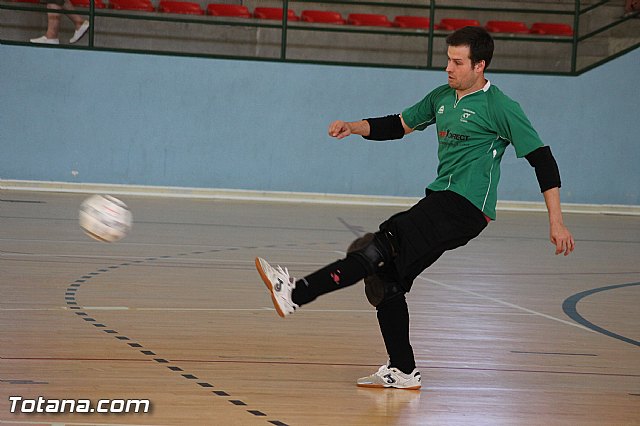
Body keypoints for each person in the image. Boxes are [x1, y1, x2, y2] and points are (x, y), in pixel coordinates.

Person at [255, 26, 575, 390]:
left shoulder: (500, 106)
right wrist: (353, 126)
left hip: (466, 206)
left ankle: (295, 293)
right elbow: (400, 124)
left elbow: (542, 160)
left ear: (480, 65)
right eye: (447, 60)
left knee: (381, 242)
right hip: (442, 198)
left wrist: (557, 222)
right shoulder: (442, 97)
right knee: (386, 278)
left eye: (457, 62)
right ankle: (403, 370)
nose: (448, 68)